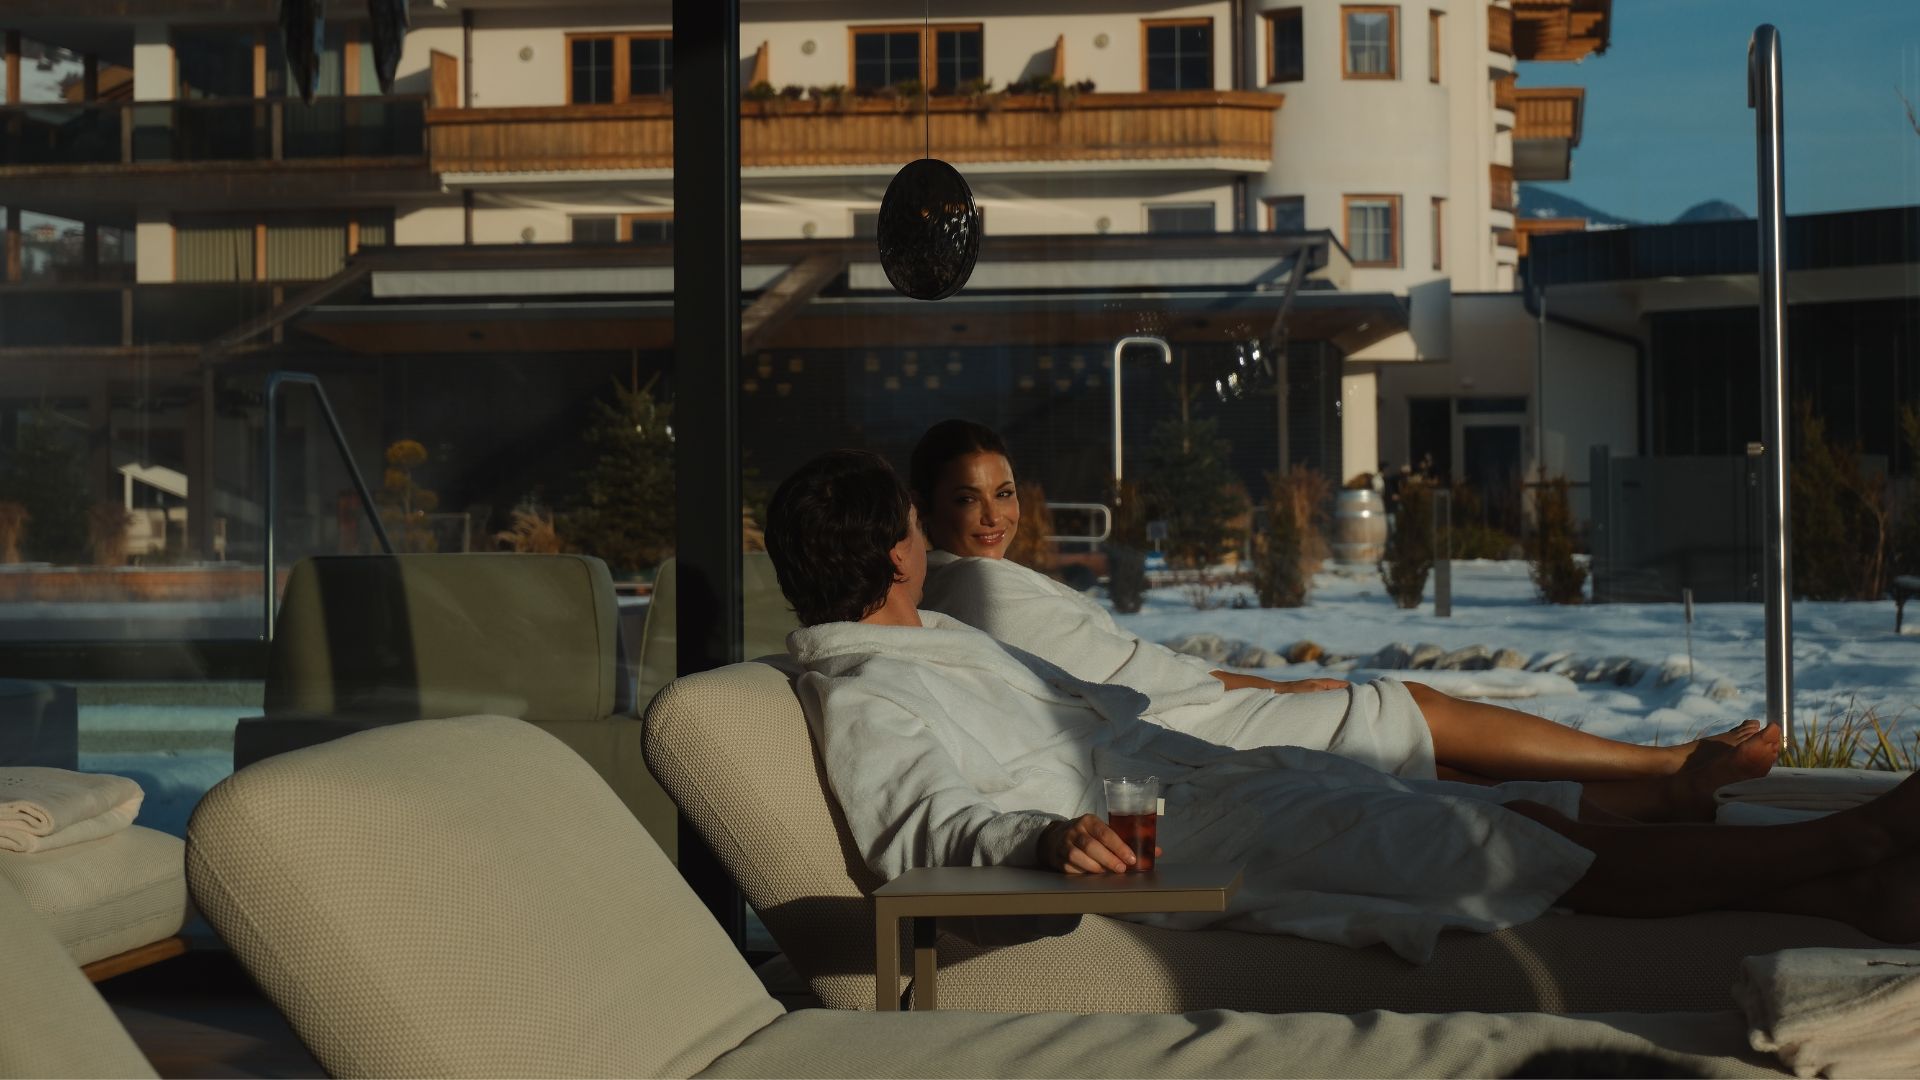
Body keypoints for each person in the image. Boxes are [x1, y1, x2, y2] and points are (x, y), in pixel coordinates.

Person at [765, 450, 1920, 964]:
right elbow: (918, 828)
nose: (931, 541)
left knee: (1512, 818)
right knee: (1495, 845)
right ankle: (1846, 845)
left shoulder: (934, 640)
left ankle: (1852, 892)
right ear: (896, 550)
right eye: (916, 525)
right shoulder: (863, 689)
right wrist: (1043, 838)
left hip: (1212, 784)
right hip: (1187, 841)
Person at [907, 418, 1776, 823]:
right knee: (1407, 711)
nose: (993, 515)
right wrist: (1275, 692)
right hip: (1177, 736)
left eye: (1004, 492)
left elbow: (1126, 671)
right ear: (925, 508)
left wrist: (1271, 687)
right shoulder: (981, 591)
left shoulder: (974, 586)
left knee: (1422, 762)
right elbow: (1135, 684)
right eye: (967, 498)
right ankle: (1663, 762)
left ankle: (1650, 799)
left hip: (1180, 715)